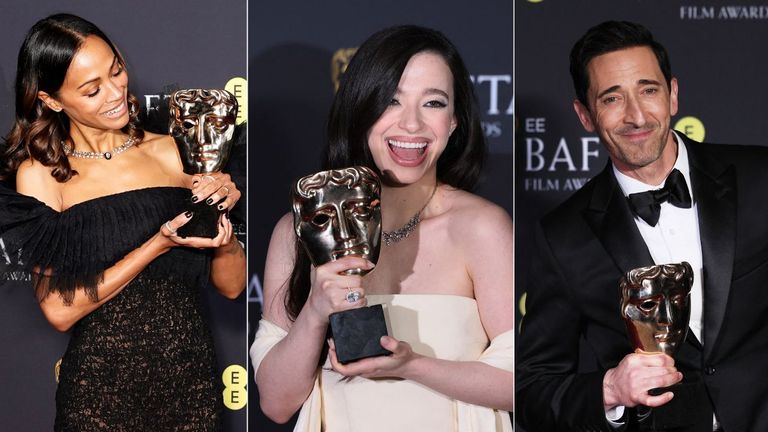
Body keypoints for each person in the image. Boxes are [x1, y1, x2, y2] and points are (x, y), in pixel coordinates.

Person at [250, 25, 513, 431]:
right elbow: (277, 402)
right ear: (360, 110)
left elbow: (524, 382)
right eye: (391, 100)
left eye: (434, 103)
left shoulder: (480, 228)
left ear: (455, 121)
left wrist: (412, 365)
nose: (412, 125)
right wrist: (316, 311)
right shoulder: (298, 230)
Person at [516, 20, 768, 432]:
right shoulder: (563, 235)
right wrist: (610, 389)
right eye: (612, 98)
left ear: (672, 95)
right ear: (584, 115)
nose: (636, 116)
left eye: (648, 90)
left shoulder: (759, 177)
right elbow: (531, 387)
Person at [0, 14, 245, 431]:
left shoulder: (173, 150)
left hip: (191, 391)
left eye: (117, 71)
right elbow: (60, 310)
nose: (115, 93)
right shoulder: (40, 175)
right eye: (92, 90)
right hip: (99, 397)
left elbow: (232, 285)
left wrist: (222, 223)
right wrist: (157, 245)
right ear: (52, 100)